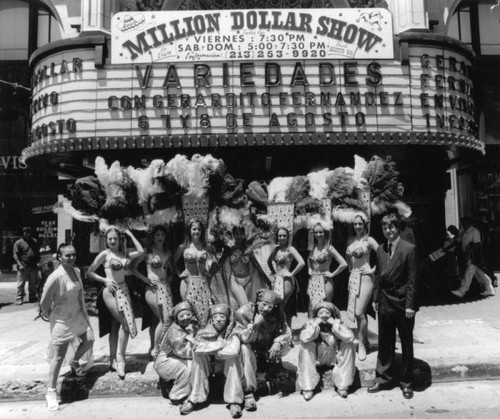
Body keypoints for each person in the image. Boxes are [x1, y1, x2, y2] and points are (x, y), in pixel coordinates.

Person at [368, 211, 419, 399]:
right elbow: (378, 276)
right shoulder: (381, 249)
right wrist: (375, 298)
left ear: (397, 228)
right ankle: (383, 378)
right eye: (384, 227)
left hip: (403, 303)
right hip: (385, 301)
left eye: (391, 227)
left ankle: (406, 382)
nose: (388, 230)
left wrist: (411, 305)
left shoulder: (409, 249)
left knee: (406, 342)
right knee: (385, 342)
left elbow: (413, 279)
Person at [40, 243, 94, 411]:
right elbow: (44, 301)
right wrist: (50, 316)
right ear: (59, 257)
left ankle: (75, 361)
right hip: (61, 320)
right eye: (67, 255)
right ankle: (51, 392)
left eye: (73, 254)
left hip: (77, 315)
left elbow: (80, 295)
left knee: (89, 340)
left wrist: (85, 315)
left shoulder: (76, 271)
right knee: (58, 357)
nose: (71, 258)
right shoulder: (55, 277)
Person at [87, 227, 144, 379]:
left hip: (124, 290)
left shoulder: (125, 254)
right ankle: (121, 360)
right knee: (125, 324)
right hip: (110, 292)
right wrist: (105, 280)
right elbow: (90, 272)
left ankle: (112, 359)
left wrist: (130, 233)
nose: (112, 241)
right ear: (106, 240)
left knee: (115, 326)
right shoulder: (105, 254)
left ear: (120, 240)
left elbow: (141, 251)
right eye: (110, 239)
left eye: (115, 239)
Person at [180, 303, 244, 418]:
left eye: (222, 317)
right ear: (211, 319)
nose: (219, 320)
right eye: (215, 317)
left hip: (223, 366)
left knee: (233, 358)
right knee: (199, 357)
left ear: (227, 319)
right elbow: (198, 349)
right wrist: (220, 344)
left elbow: (233, 350)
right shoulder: (203, 333)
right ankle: (194, 398)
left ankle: (234, 401)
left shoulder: (232, 333)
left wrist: (214, 351)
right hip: (209, 365)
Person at [233, 288, 292, 412]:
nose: (266, 309)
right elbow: (242, 338)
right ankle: (249, 392)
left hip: (266, 348)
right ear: (257, 302)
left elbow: (287, 333)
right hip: (248, 349)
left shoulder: (277, 315)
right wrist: (255, 325)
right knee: (244, 348)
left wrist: (278, 341)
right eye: (264, 304)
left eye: (270, 307)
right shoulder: (244, 312)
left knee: (283, 345)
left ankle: (272, 373)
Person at [130, 225, 174, 359]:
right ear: (153, 237)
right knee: (164, 319)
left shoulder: (168, 252)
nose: (160, 237)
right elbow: (132, 267)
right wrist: (146, 280)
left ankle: (156, 347)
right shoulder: (148, 251)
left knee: (158, 321)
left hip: (165, 288)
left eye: (162, 235)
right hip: (152, 289)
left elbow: (172, 270)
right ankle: (156, 350)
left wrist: (168, 280)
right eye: (157, 235)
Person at [296, 301, 356, 400]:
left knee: (349, 344)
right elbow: (304, 338)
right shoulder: (310, 324)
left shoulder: (339, 324)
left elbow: (350, 337)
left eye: (327, 313)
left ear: (332, 315)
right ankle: (307, 386)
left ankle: (342, 384)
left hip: (334, 358)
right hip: (316, 359)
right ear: (316, 315)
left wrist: (335, 324)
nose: (324, 315)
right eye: (321, 313)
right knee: (305, 344)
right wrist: (315, 325)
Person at [345, 214, 379, 361]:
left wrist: (373, 269)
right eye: (355, 224)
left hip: (366, 278)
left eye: (360, 224)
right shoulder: (351, 240)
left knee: (359, 312)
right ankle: (365, 340)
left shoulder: (369, 240)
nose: (357, 226)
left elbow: (383, 254)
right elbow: (348, 259)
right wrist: (351, 270)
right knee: (359, 313)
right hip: (354, 277)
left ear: (365, 225)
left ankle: (362, 346)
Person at [154, 301, 199, 405]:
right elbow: (184, 353)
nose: (185, 318)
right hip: (164, 362)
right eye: (181, 315)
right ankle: (177, 395)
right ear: (176, 318)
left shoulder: (187, 326)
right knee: (189, 366)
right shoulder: (175, 332)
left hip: (173, 357)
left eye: (188, 314)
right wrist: (192, 338)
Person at [175, 220, 216, 327]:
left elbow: (216, 261)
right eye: (194, 229)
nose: (196, 232)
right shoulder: (183, 247)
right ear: (189, 230)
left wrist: (210, 273)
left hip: (203, 282)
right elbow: (172, 261)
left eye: (199, 229)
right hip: (188, 282)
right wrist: (179, 274)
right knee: (187, 314)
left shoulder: (206, 246)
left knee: (205, 313)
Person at [217, 225, 270, 305]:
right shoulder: (229, 249)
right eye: (236, 234)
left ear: (244, 234)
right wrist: (210, 274)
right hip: (235, 280)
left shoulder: (248, 248)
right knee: (245, 305)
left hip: (248, 279)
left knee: (249, 304)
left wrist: (266, 278)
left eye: (241, 234)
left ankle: (240, 317)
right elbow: (220, 263)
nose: (239, 236)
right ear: (233, 235)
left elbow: (256, 265)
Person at [267, 227, 305, 323]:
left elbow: (301, 263)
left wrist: (291, 274)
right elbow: (269, 261)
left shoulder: (290, 249)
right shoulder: (275, 250)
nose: (282, 237)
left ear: (288, 237)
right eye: (280, 235)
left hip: (287, 280)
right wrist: (274, 272)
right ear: (277, 237)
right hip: (277, 280)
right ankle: (280, 327)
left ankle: (285, 327)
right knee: (277, 304)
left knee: (282, 304)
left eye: (284, 235)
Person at [451, 216, 495, 298]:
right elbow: (457, 241)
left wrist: (469, 252)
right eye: (461, 222)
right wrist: (446, 248)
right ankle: (489, 289)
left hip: (474, 256)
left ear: (468, 223)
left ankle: (462, 291)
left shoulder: (475, 231)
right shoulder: (463, 232)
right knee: (479, 273)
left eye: (463, 222)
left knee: (469, 273)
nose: (462, 224)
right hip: (467, 255)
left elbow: (477, 244)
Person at [307, 222, 347, 311]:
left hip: (326, 281)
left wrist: (332, 274)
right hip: (314, 280)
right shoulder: (313, 247)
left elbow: (343, 263)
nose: (318, 234)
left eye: (320, 232)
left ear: (325, 232)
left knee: (326, 308)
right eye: (316, 232)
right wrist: (309, 268)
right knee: (313, 308)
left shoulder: (329, 248)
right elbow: (308, 259)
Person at [13, 226, 41, 304]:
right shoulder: (18, 242)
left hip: (33, 266)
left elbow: (37, 253)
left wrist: (38, 262)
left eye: (29, 232)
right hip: (22, 266)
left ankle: (32, 297)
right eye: (26, 232)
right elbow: (15, 255)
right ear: (23, 233)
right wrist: (19, 264)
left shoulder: (35, 241)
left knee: (33, 283)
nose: (28, 233)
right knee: (21, 283)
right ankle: (19, 298)